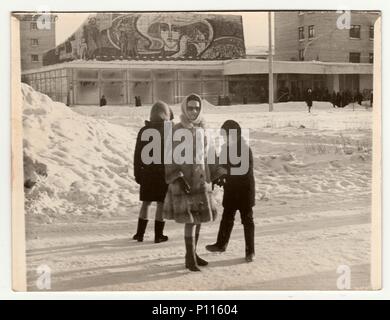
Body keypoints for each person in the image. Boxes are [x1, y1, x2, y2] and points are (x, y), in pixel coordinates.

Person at [163, 93, 223, 271]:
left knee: (198, 219)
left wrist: (217, 172)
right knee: (190, 220)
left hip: (201, 181)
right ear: (184, 108)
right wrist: (177, 177)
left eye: (197, 108)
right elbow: (169, 156)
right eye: (190, 107)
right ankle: (189, 258)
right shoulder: (176, 130)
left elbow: (209, 154)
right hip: (185, 182)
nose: (193, 111)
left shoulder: (203, 130)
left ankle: (194, 253)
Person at [206, 120, 256, 262]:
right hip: (231, 190)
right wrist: (218, 178)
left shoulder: (245, 149)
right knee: (227, 218)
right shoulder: (225, 148)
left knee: (247, 220)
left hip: (245, 190)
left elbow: (245, 170)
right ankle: (221, 244)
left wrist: (226, 172)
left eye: (225, 135)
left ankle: (250, 251)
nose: (224, 138)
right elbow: (221, 167)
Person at [132, 101, 172, 243]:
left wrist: (137, 173)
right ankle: (158, 235)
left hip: (147, 173)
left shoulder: (144, 131)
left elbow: (137, 154)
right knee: (161, 203)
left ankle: (140, 234)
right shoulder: (169, 131)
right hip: (163, 173)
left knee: (146, 203)